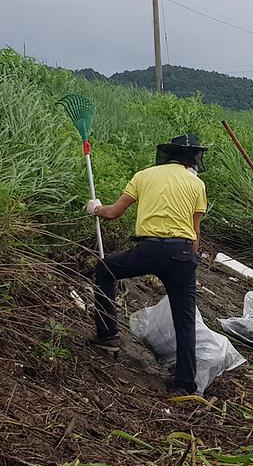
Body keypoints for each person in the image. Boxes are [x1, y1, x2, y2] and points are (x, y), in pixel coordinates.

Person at [85, 134, 209, 395]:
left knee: (105, 269)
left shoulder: (144, 175)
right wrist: (191, 263)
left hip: (149, 249)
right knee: (184, 319)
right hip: (182, 254)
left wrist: (96, 208)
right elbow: (196, 232)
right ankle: (185, 383)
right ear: (192, 158)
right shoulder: (197, 184)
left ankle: (107, 336)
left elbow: (114, 213)